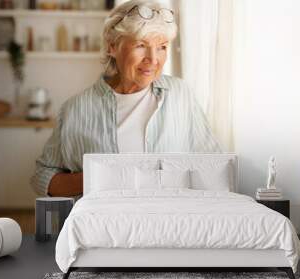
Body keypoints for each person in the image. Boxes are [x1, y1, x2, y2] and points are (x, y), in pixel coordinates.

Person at [30, 0, 221, 197]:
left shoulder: (181, 95)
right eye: (141, 45)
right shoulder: (75, 109)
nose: (153, 59)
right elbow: (42, 176)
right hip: (104, 225)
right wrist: (100, 178)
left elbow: (215, 164)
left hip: (171, 223)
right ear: (112, 46)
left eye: (162, 47)